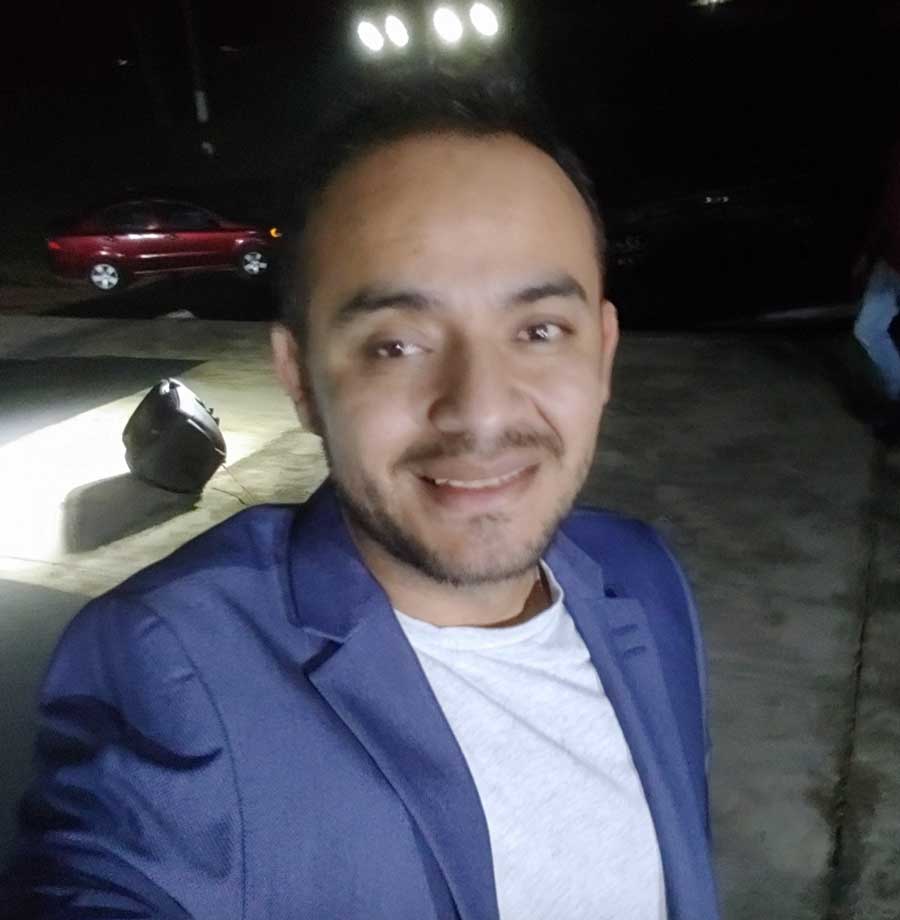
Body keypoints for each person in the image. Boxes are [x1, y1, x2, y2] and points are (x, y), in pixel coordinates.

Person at [2, 70, 719, 919]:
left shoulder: (644, 578)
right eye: (396, 345)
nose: (481, 411)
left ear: (601, 354)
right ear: (300, 378)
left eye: (538, 331)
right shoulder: (173, 670)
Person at [852, 138, 900, 442]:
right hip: (890, 261)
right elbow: (887, 208)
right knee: (868, 329)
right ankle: (897, 395)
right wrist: (868, 253)